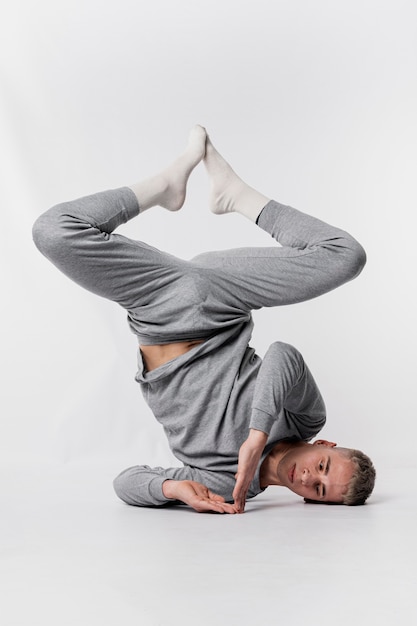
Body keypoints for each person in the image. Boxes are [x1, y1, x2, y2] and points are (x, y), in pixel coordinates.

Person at [32, 125, 375, 514]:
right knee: (346, 257)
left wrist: (173, 489)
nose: (310, 478)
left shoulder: (225, 486)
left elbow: (126, 481)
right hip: (218, 301)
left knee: (54, 232)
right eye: (323, 467)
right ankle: (237, 196)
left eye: (319, 489)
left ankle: (165, 187)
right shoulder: (306, 418)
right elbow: (283, 356)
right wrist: (257, 435)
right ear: (325, 446)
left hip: (155, 316)